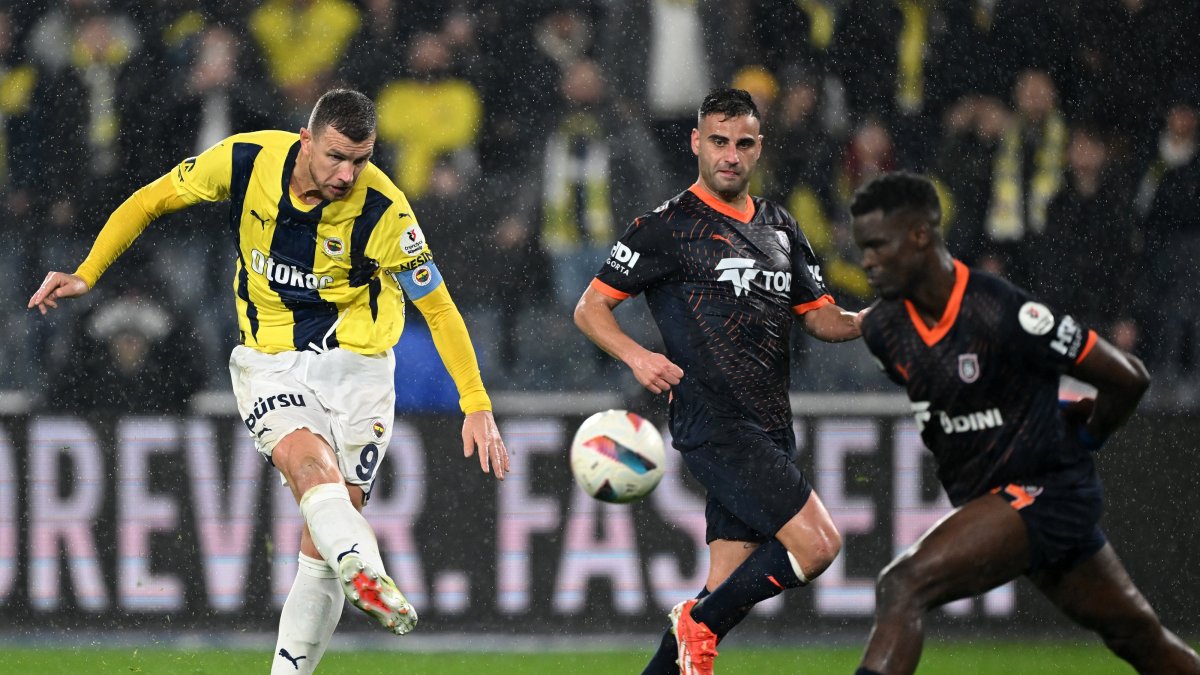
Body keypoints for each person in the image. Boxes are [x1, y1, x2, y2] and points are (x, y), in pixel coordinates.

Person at [28, 89, 509, 674]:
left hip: (359, 366)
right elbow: (153, 199)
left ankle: (321, 613)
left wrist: (476, 403)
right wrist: (87, 271)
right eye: (335, 156)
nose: (347, 174)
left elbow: (439, 307)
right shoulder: (245, 160)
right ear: (306, 140)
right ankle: (364, 564)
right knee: (308, 468)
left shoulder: (386, 212)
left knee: (324, 531)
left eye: (361, 160)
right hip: (271, 357)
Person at [849, 171, 1200, 675]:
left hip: (1044, 490)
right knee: (1138, 639)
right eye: (863, 247)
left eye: (878, 246)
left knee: (903, 584)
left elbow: (1129, 377)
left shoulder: (1000, 311)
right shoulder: (884, 329)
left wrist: (1089, 433)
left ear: (920, 236)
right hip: (999, 501)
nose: (866, 260)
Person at [574, 88, 864, 675]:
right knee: (819, 545)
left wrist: (874, 320)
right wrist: (636, 357)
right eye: (718, 142)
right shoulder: (665, 226)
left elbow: (823, 318)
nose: (730, 155)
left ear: (759, 149)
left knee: (722, 592)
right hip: (716, 426)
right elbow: (589, 309)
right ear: (696, 144)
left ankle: (693, 628)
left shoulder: (782, 227)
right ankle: (696, 623)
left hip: (771, 426)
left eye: (743, 143)